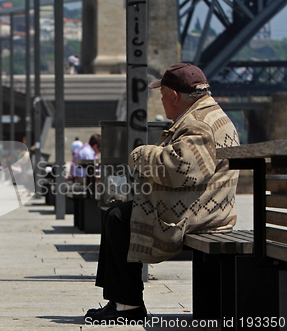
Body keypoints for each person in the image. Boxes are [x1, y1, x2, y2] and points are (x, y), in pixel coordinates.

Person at [84, 63, 240, 323]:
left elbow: (180, 169)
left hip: (201, 214)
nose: (162, 103)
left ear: (175, 97)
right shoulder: (209, 115)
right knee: (116, 213)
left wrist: (141, 154)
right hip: (208, 205)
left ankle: (127, 305)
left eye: (163, 96)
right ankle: (120, 300)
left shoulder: (198, 124)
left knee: (118, 218)